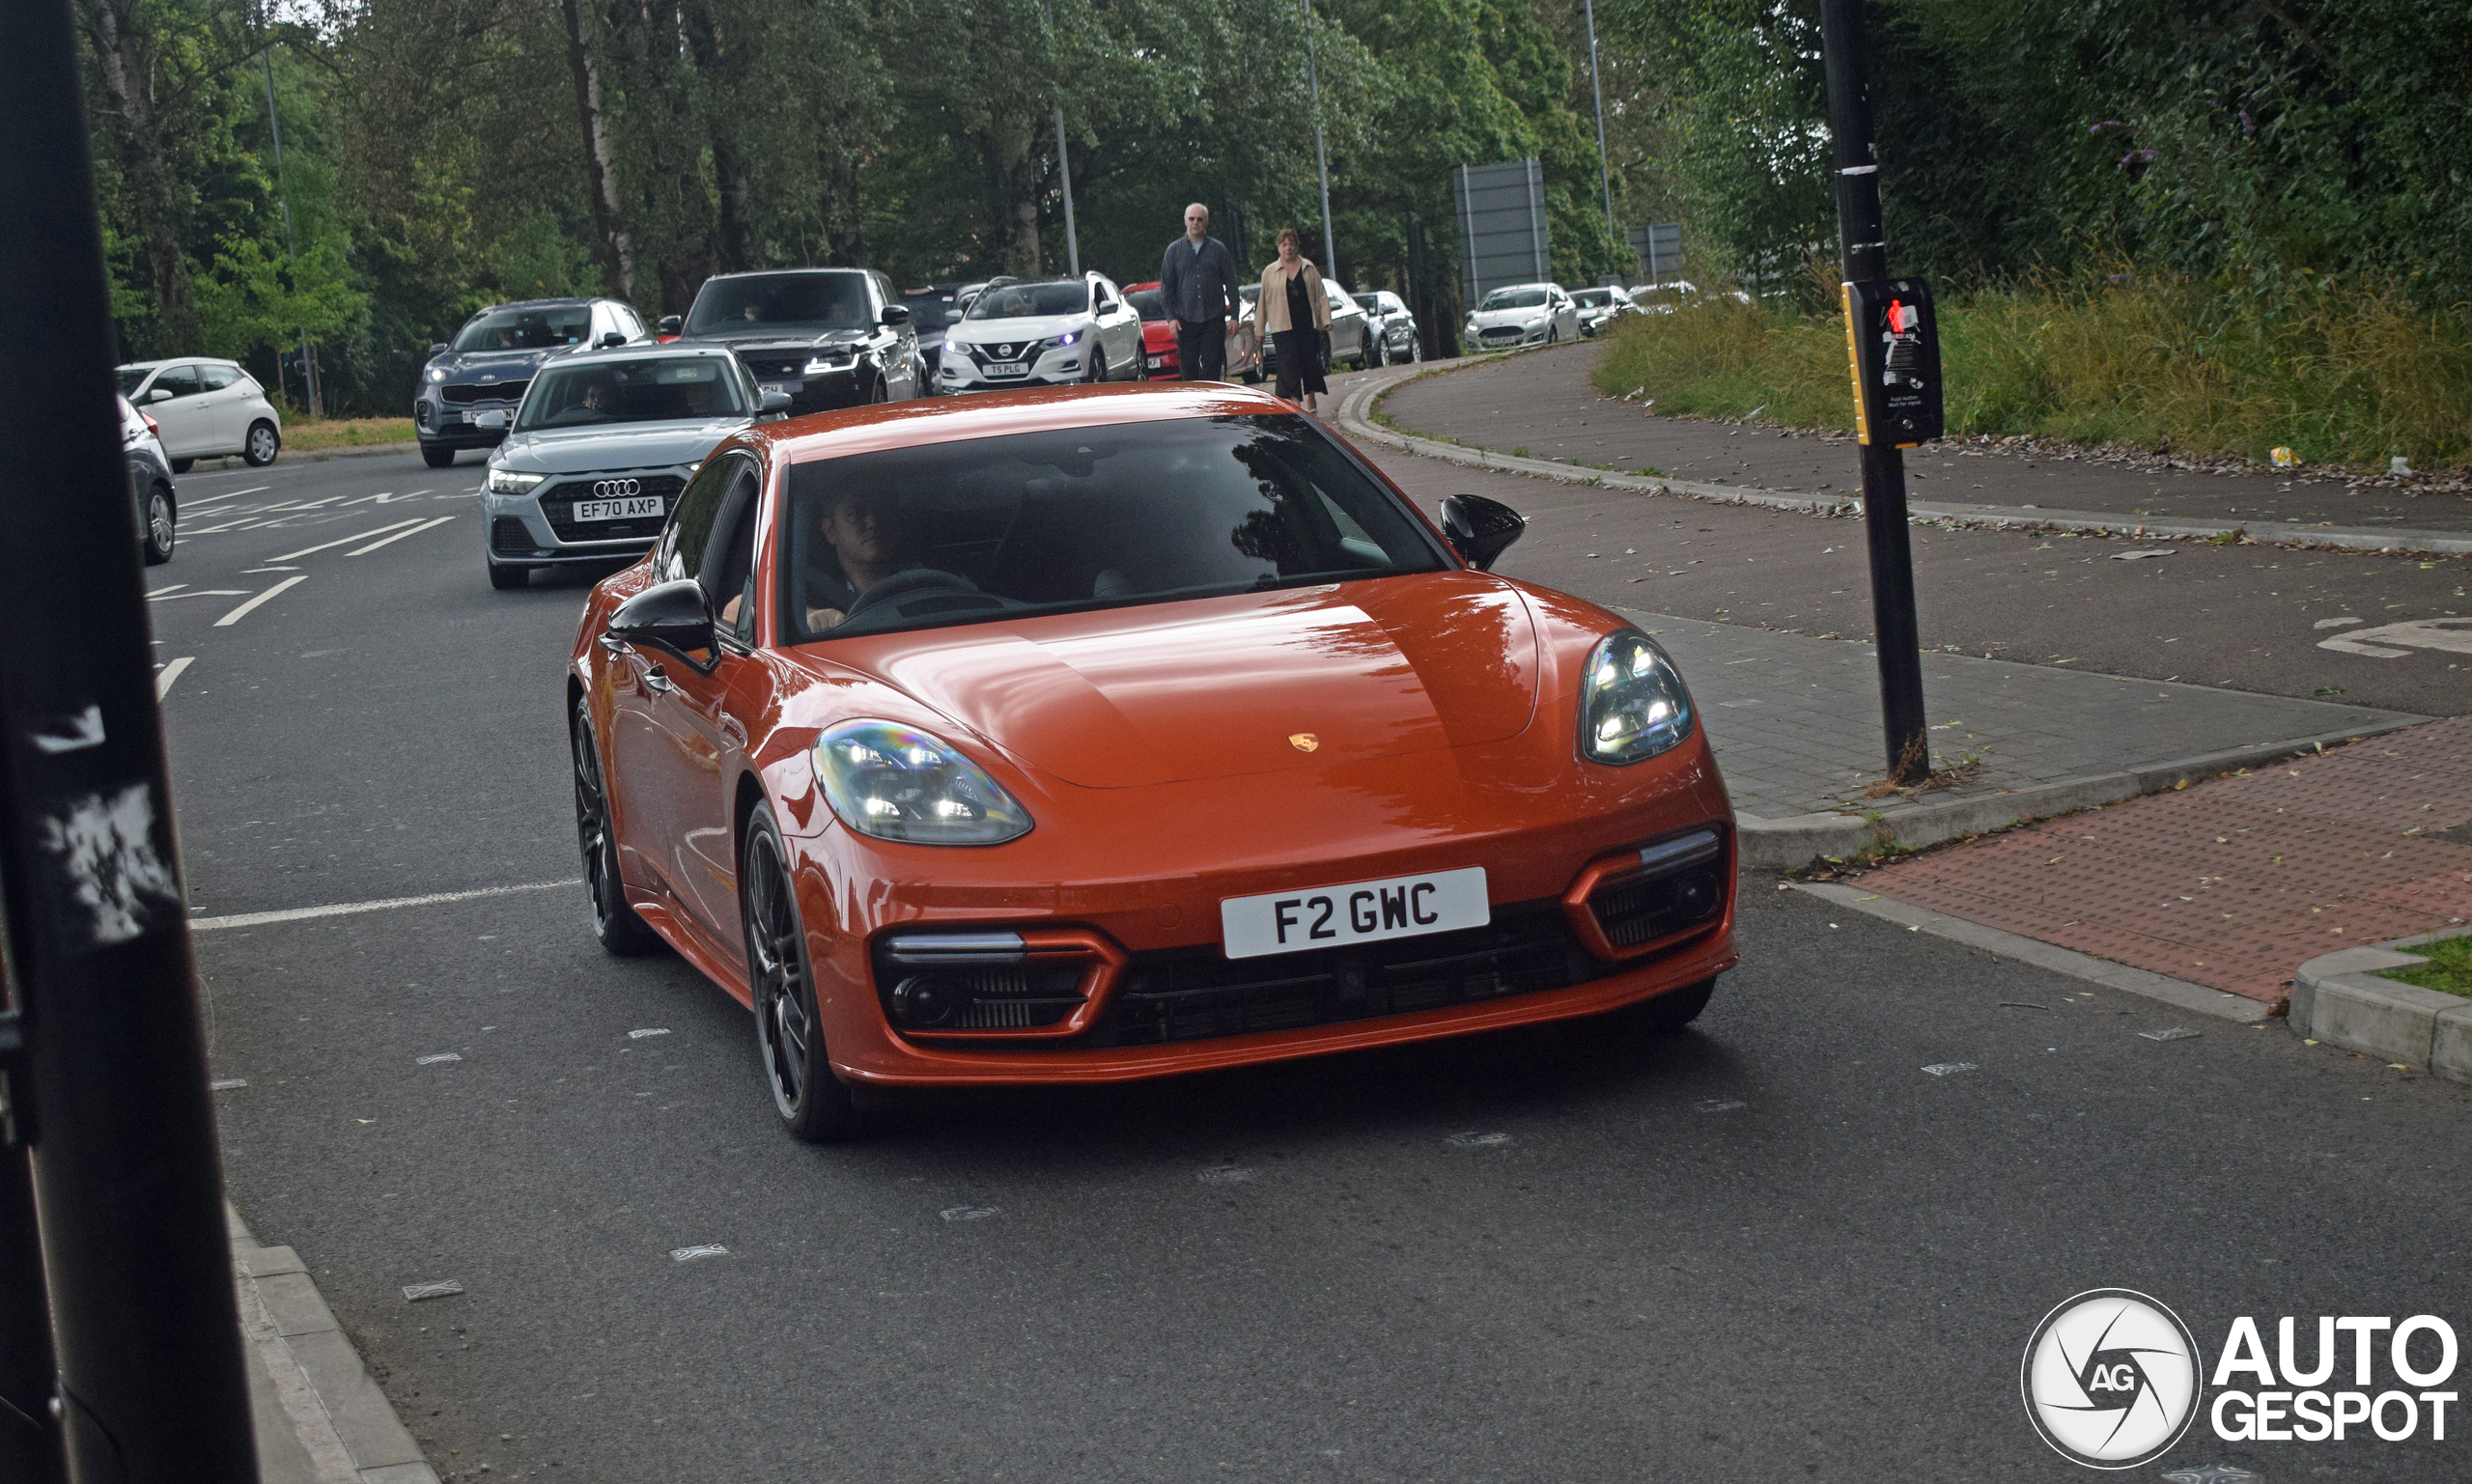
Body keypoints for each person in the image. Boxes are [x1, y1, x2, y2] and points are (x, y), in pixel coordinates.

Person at [1157, 203, 1242, 381]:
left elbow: (1231, 285)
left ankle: (1212, 406)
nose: (1195, 223)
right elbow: (1167, 289)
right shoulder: (1173, 252)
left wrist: (1234, 316)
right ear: (1185, 221)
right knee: (1188, 369)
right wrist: (1171, 319)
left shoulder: (1218, 250)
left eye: (1200, 219)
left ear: (1206, 222)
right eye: (1192, 219)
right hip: (1185, 321)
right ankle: (1195, 406)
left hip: (1213, 318)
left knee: (1213, 366)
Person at [1255, 227, 1331, 412]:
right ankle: (1296, 403)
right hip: (1282, 326)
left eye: (1291, 244)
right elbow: (1262, 302)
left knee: (1309, 362)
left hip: (1306, 323)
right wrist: (1259, 330)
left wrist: (1326, 319)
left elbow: (1321, 295)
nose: (1288, 248)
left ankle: (1311, 398)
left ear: (1296, 246)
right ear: (1278, 247)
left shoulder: (1309, 268)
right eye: (1284, 244)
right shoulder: (1269, 272)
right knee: (1288, 365)